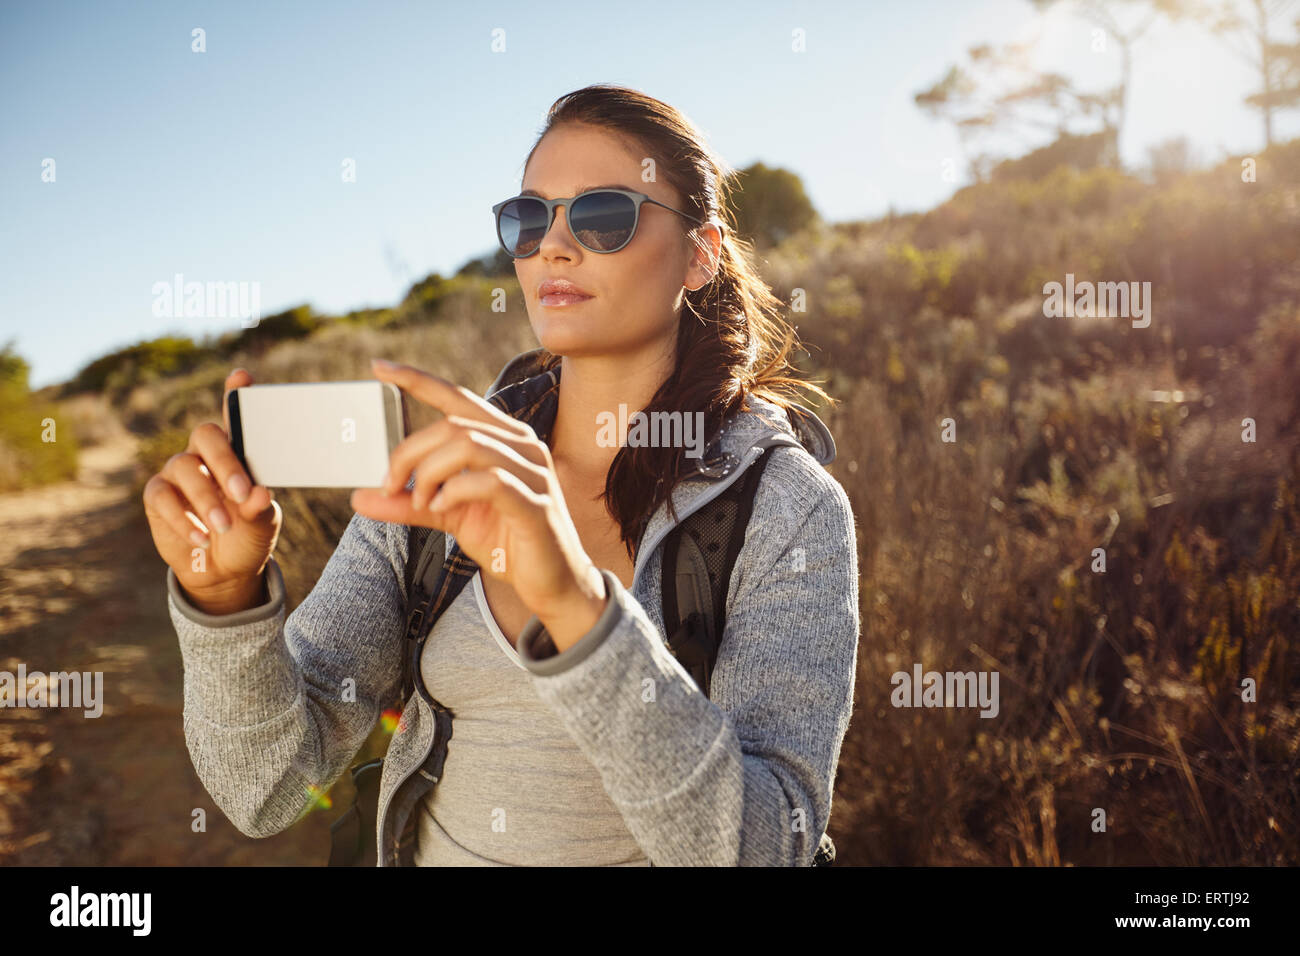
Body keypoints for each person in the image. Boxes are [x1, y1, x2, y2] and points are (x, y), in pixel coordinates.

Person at [144, 83, 860, 866]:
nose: (554, 246)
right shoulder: (447, 472)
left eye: (604, 216)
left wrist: (577, 607)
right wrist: (224, 599)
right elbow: (269, 787)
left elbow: (770, 847)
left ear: (700, 254)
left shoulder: (785, 509)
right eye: (528, 220)